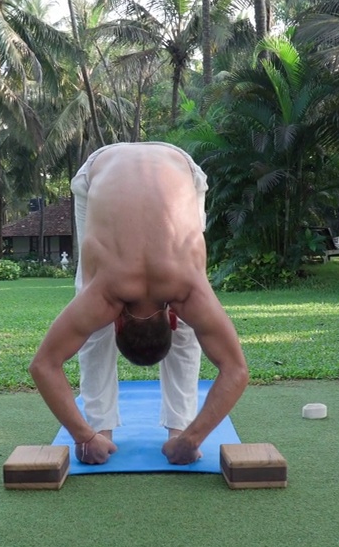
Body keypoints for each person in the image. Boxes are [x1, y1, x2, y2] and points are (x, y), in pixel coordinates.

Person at [28, 142, 250, 466]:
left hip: (165, 167)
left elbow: (43, 365)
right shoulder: (182, 291)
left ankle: (175, 431)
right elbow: (237, 369)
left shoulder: (113, 293)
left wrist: (83, 440)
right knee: (89, 311)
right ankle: (102, 429)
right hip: (123, 168)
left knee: (90, 314)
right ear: (171, 317)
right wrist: (85, 435)